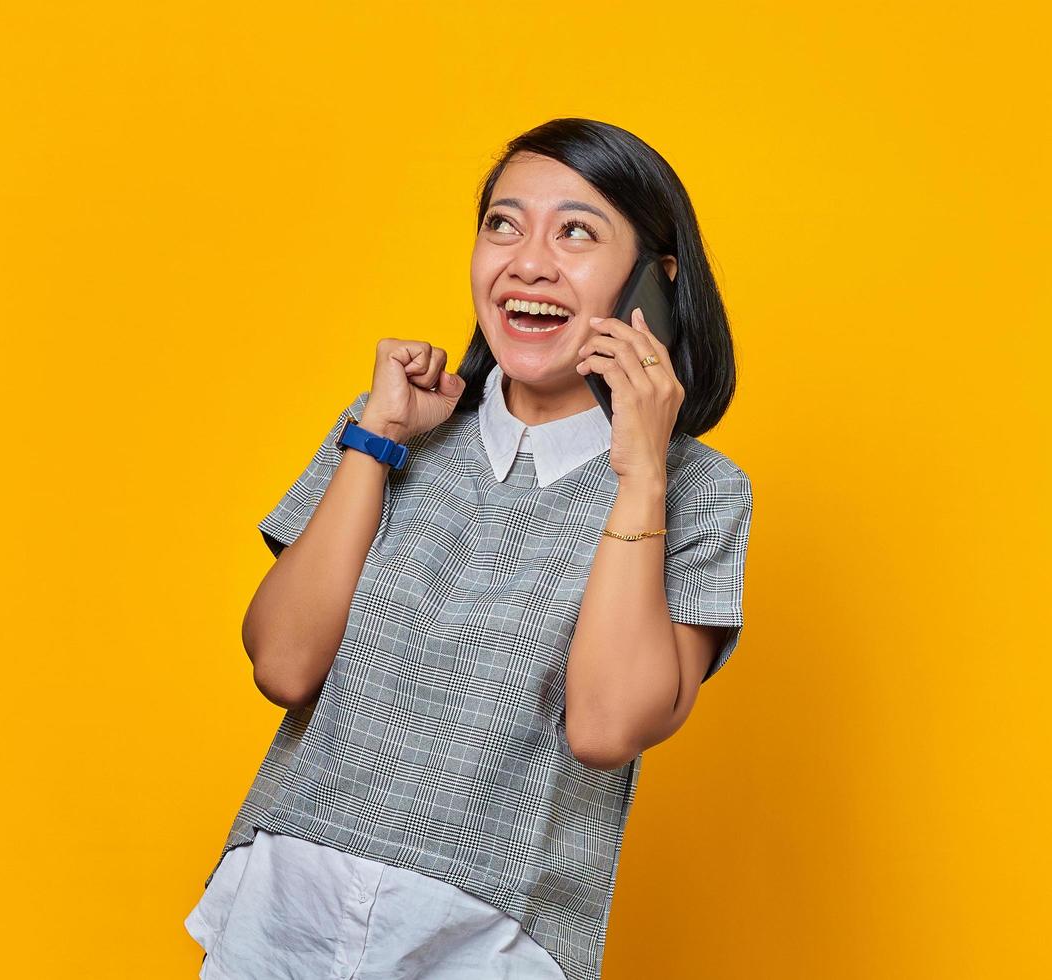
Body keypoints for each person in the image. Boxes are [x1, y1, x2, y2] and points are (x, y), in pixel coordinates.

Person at [185, 117, 754, 980]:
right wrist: (374, 439)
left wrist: (640, 475)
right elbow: (283, 665)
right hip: (284, 911)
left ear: (654, 284)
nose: (527, 261)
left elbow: (605, 726)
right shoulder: (391, 432)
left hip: (491, 944)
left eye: (575, 231)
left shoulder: (699, 490)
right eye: (503, 223)